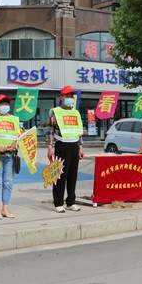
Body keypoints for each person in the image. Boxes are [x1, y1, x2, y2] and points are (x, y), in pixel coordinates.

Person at [47, 85, 84, 213]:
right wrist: (50, 146)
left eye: (71, 96)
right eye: (67, 96)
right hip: (61, 146)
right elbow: (50, 130)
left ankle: (71, 202)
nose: (69, 98)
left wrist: (80, 146)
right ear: (61, 97)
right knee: (60, 175)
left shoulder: (76, 112)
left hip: (74, 146)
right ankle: (58, 202)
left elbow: (78, 131)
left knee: (73, 176)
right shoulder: (55, 111)